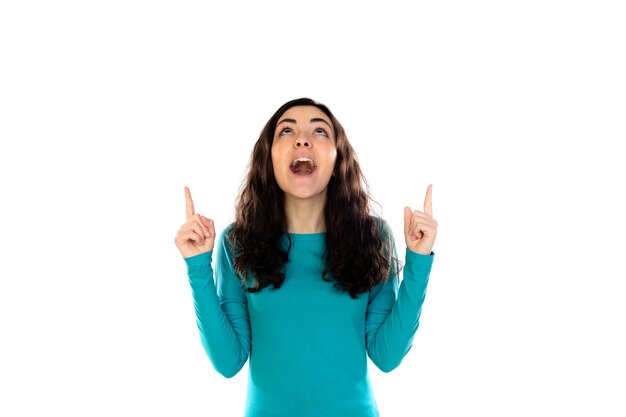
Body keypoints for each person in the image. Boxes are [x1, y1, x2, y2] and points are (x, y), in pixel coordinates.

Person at [174, 97, 438, 417]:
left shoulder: (372, 237)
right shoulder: (237, 242)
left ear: (337, 158)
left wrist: (419, 262)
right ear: (268, 157)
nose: (302, 138)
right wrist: (197, 267)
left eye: (320, 132)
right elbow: (228, 362)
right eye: (286, 131)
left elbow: (388, 355)